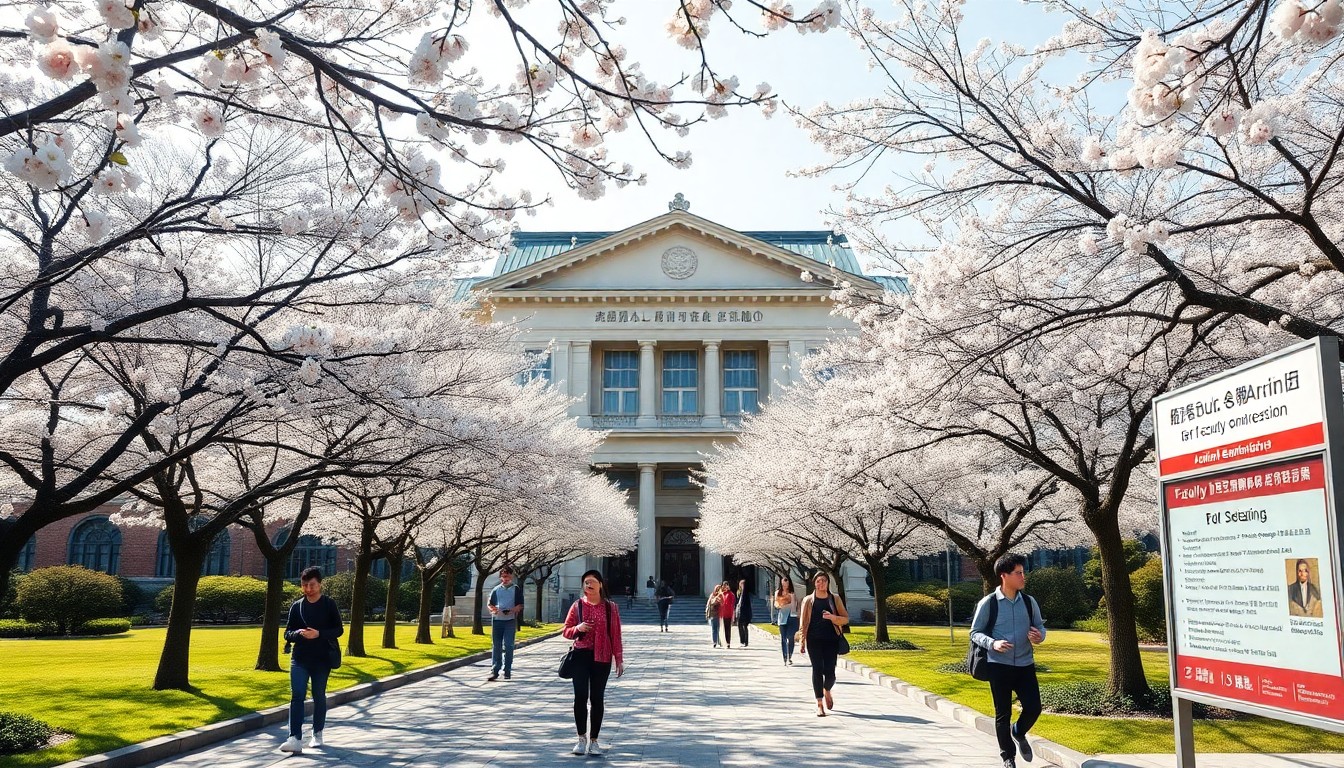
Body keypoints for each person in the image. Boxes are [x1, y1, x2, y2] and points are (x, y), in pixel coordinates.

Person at [970, 553, 1047, 768]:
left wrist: (1039, 636)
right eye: (1018, 573)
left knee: (1034, 708)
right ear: (1004, 576)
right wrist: (992, 643)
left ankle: (1019, 731)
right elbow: (975, 632)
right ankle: (1008, 757)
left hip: (1025, 665)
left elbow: (1040, 627)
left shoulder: (1030, 602)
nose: (1023, 577)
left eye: (1023, 572)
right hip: (998, 665)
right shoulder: (989, 603)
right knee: (1002, 713)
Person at [279, 566, 344, 753]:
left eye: (312, 585)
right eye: (305, 585)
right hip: (299, 658)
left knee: (318, 695)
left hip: (322, 658)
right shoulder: (297, 606)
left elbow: (338, 630)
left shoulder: (329, 604)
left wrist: (319, 634)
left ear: (320, 584)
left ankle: (317, 733)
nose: (308, 589)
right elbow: (287, 633)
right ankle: (294, 738)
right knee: (297, 695)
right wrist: (299, 634)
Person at [562, 569, 624, 757]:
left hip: (602, 657)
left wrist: (618, 658)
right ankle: (581, 739)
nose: (588, 585)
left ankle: (594, 741)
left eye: (591, 582)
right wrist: (577, 628)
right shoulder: (577, 606)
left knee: (597, 699)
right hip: (580, 656)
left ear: (600, 584)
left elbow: (615, 634)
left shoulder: (610, 607)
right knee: (580, 697)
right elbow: (566, 630)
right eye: (585, 582)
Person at [798, 571, 848, 717]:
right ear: (815, 583)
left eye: (824, 581)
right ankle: (819, 704)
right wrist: (802, 641)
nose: (821, 583)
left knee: (830, 673)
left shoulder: (834, 599)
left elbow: (845, 619)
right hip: (813, 640)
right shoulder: (808, 600)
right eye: (818, 581)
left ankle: (827, 690)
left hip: (831, 640)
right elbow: (803, 622)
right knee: (817, 670)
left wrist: (833, 618)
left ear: (828, 583)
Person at [486, 565, 524, 682]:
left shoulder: (516, 589)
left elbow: (520, 605)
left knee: (508, 645)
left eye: (507, 576)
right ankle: (495, 670)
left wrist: (512, 611)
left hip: (510, 621)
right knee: (496, 645)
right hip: (497, 620)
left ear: (511, 576)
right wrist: (494, 609)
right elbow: (490, 604)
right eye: (503, 577)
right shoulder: (496, 589)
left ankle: (507, 670)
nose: (505, 579)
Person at [773, 575, 801, 665]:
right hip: (782, 617)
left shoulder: (792, 593)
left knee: (790, 637)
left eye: (787, 584)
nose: (785, 586)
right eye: (783, 584)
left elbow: (796, 604)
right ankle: (785, 657)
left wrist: (798, 613)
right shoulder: (778, 592)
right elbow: (775, 602)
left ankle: (790, 656)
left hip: (791, 616)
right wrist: (777, 605)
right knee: (783, 638)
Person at [717, 580, 737, 649]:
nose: (725, 587)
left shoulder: (731, 594)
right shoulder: (723, 594)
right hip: (723, 614)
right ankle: (724, 642)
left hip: (729, 613)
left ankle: (728, 643)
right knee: (725, 628)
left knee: (728, 628)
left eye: (726, 585)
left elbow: (733, 602)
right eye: (724, 585)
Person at [734, 578, 753, 647]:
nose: (741, 586)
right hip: (739, 612)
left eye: (742, 584)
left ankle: (745, 641)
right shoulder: (739, 593)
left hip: (745, 613)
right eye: (741, 584)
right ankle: (742, 641)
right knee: (740, 626)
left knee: (744, 627)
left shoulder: (745, 594)